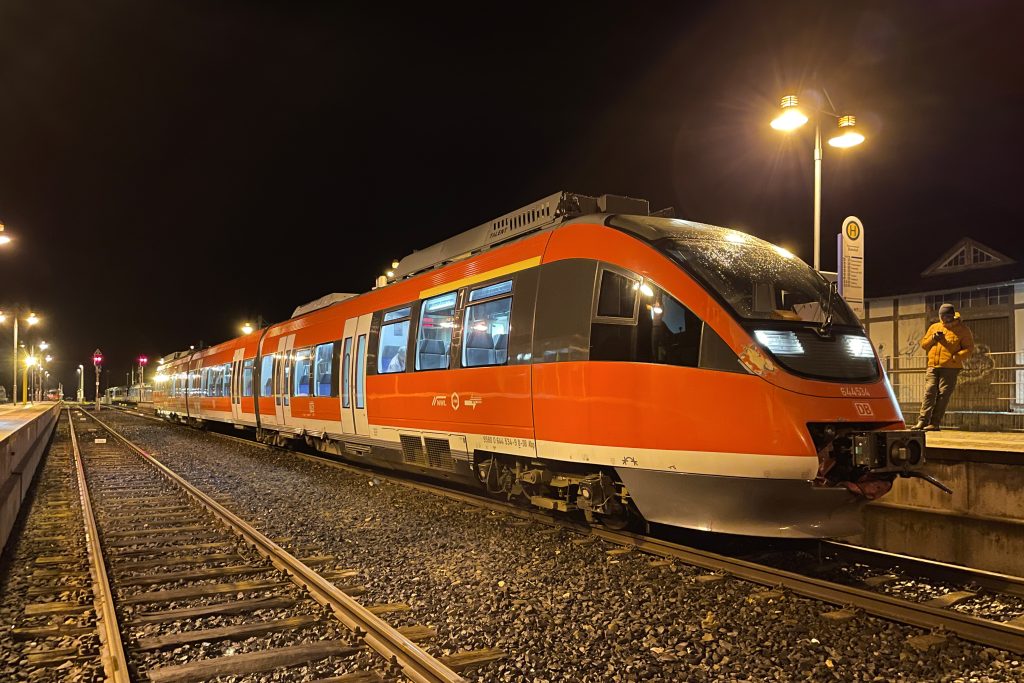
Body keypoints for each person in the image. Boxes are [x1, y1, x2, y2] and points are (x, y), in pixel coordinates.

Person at [913, 303, 974, 431]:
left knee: (943, 395)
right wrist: (933, 339)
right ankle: (922, 421)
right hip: (933, 366)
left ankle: (934, 423)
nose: (945, 318)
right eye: (943, 315)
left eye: (948, 315)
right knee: (929, 392)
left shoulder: (963, 329)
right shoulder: (934, 327)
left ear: (952, 315)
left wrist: (956, 357)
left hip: (950, 367)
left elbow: (969, 348)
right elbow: (924, 344)